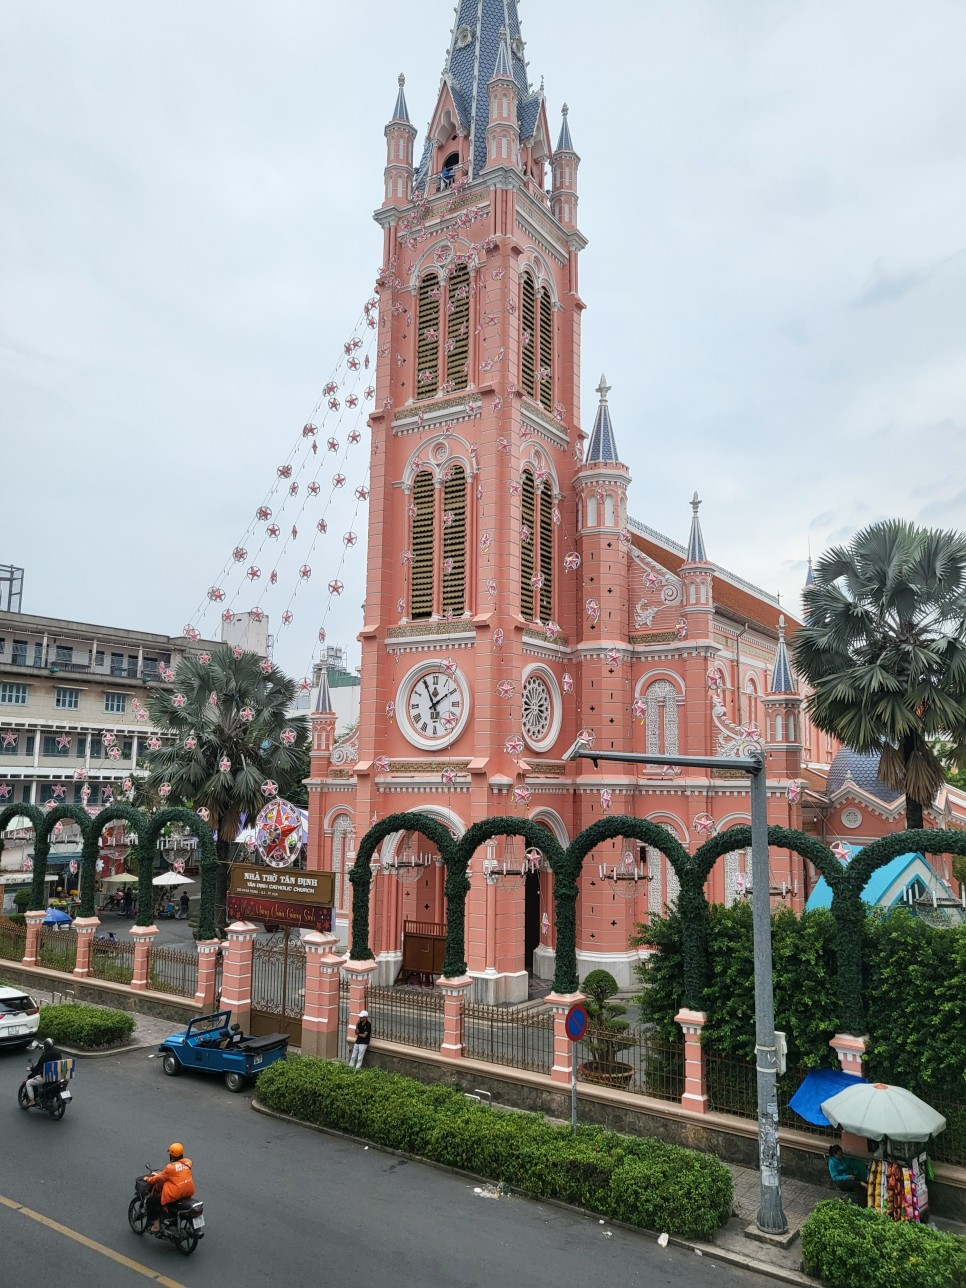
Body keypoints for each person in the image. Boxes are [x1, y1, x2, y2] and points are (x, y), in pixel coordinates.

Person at [144, 1143, 195, 1233]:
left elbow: (159, 1178)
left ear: (172, 1155)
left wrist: (148, 1179)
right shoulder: (188, 1162)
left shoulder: (170, 1168)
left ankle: (156, 1225)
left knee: (151, 1201)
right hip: (188, 1191)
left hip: (175, 1193)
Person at [24, 1037, 65, 1107]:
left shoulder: (45, 1055)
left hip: (47, 1077)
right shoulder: (58, 1053)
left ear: (46, 1045)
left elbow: (38, 1067)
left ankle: (32, 1101)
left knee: (28, 1083)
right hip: (58, 1076)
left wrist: (31, 1075)